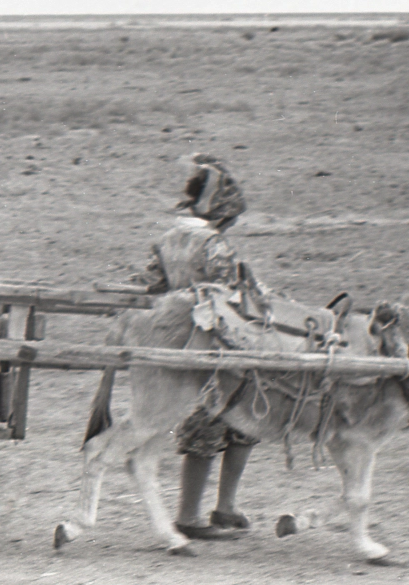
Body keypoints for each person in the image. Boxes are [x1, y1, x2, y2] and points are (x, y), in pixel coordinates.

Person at [132, 154, 258, 539]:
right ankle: (193, 514)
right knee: (224, 419)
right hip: (213, 342)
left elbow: (150, 286)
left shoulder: (167, 238)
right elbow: (230, 296)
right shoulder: (214, 244)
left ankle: (223, 508)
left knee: (230, 420)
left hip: (177, 337)